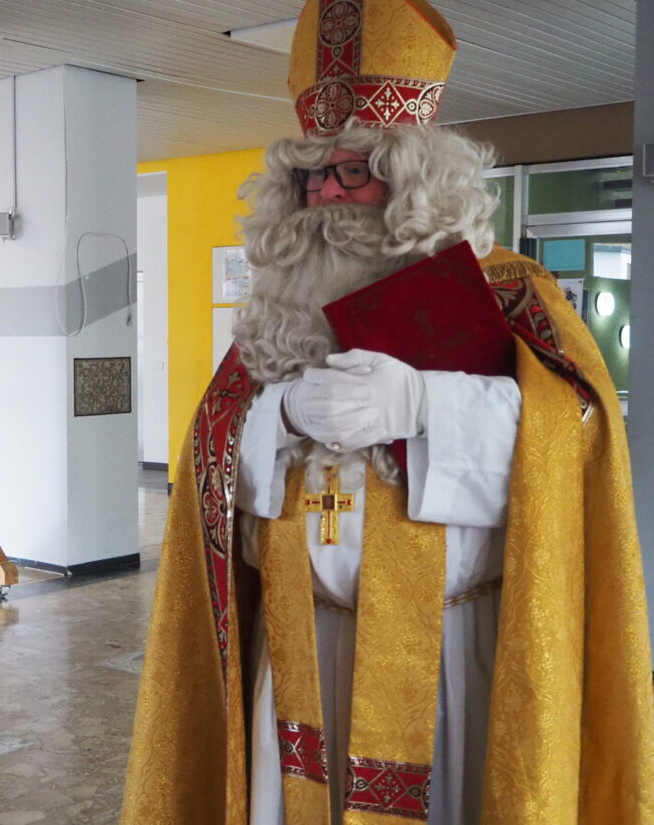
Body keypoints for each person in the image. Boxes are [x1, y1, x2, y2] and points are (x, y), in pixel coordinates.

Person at [121, 1, 654, 824]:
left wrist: (424, 403)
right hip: (300, 649)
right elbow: (209, 448)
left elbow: (579, 434)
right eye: (312, 172)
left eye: (355, 170)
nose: (329, 192)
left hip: (450, 654)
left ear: (413, 177)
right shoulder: (278, 312)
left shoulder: (509, 292)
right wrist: (281, 414)